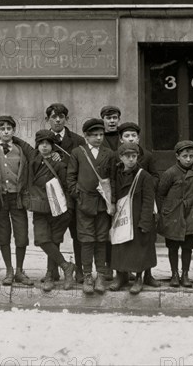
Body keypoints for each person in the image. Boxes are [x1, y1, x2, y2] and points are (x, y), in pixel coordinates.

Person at [67, 118, 116, 295]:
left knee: (102, 240)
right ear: (86, 137)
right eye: (94, 135)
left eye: (101, 134)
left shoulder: (109, 153)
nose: (98, 138)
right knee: (86, 240)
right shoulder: (78, 153)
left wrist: (111, 200)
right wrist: (78, 196)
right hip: (84, 204)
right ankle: (88, 275)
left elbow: (113, 178)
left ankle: (101, 275)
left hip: (103, 204)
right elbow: (71, 178)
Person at [0, 115, 34, 286]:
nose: (6, 131)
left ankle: (20, 270)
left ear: (14, 131)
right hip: (0, 199)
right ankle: (9, 270)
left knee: (21, 235)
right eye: (2, 129)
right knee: (3, 235)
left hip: (17, 198)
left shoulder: (21, 150)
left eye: (9, 129)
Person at [27, 130, 76, 292]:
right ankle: (66, 266)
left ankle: (50, 274)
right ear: (37, 146)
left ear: (53, 146)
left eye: (48, 144)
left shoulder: (60, 164)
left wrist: (67, 207)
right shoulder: (33, 162)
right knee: (42, 239)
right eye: (41, 144)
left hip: (58, 209)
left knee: (54, 240)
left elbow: (67, 186)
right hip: (39, 208)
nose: (45, 147)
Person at [44, 103, 86, 283]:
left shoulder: (77, 140)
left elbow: (83, 167)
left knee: (77, 234)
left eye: (61, 116)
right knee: (54, 235)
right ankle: (52, 271)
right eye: (54, 117)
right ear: (48, 120)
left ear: (67, 119)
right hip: (53, 194)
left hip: (74, 194)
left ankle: (80, 271)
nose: (58, 120)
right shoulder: (44, 140)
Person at [157, 140, 193, 288]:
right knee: (172, 246)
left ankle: (185, 274)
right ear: (177, 156)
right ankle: (174, 274)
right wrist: (165, 213)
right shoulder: (170, 173)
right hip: (173, 215)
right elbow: (160, 194)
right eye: (185, 156)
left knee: (187, 246)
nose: (188, 159)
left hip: (190, 214)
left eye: (191, 156)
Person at [117, 122, 161, 287]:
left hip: (142, 200)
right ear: (121, 139)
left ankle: (145, 275)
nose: (130, 138)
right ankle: (122, 275)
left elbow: (155, 176)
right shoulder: (117, 156)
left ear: (138, 138)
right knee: (123, 239)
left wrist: (145, 186)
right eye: (127, 136)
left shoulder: (147, 156)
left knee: (144, 239)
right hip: (123, 205)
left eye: (133, 135)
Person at [109, 143, 156, 294]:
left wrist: (145, 222)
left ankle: (138, 278)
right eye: (127, 156)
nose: (131, 159)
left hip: (137, 217)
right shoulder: (116, 173)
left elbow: (149, 201)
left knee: (138, 249)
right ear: (121, 157)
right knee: (119, 246)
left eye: (134, 156)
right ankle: (120, 276)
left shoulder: (144, 176)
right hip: (120, 216)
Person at [99, 105, 121, 281]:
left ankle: (122, 266)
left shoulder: (125, 136)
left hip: (123, 187)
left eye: (114, 118)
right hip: (105, 189)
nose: (112, 121)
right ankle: (107, 266)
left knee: (123, 229)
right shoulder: (99, 138)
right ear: (103, 120)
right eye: (108, 118)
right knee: (106, 230)